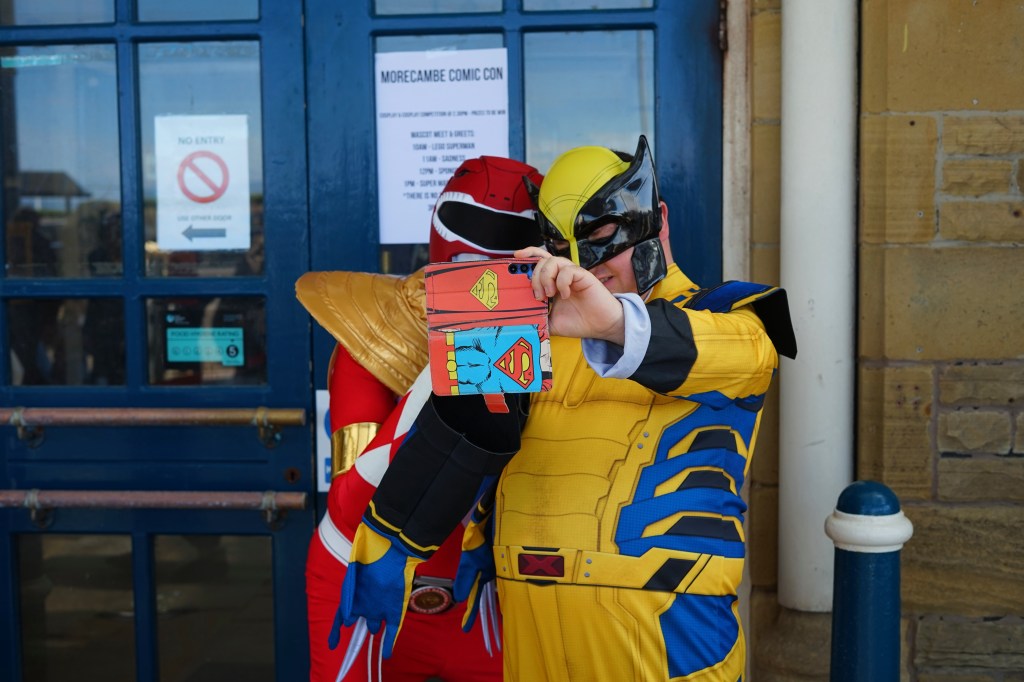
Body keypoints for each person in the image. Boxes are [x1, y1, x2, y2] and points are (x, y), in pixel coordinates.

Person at [339, 136, 797, 681]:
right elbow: (459, 435)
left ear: (658, 219)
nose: (585, 265)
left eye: (602, 238)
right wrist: (390, 539)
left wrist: (613, 323)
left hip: (664, 635)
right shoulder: (529, 328)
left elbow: (736, 355)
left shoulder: (731, 318)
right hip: (530, 623)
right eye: (560, 245)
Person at [296, 155, 544, 682]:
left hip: (486, 585)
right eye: (474, 227)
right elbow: (353, 498)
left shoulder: (566, 328)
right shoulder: (378, 334)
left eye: (511, 234)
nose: (488, 254)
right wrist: (456, 362)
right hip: (365, 571)